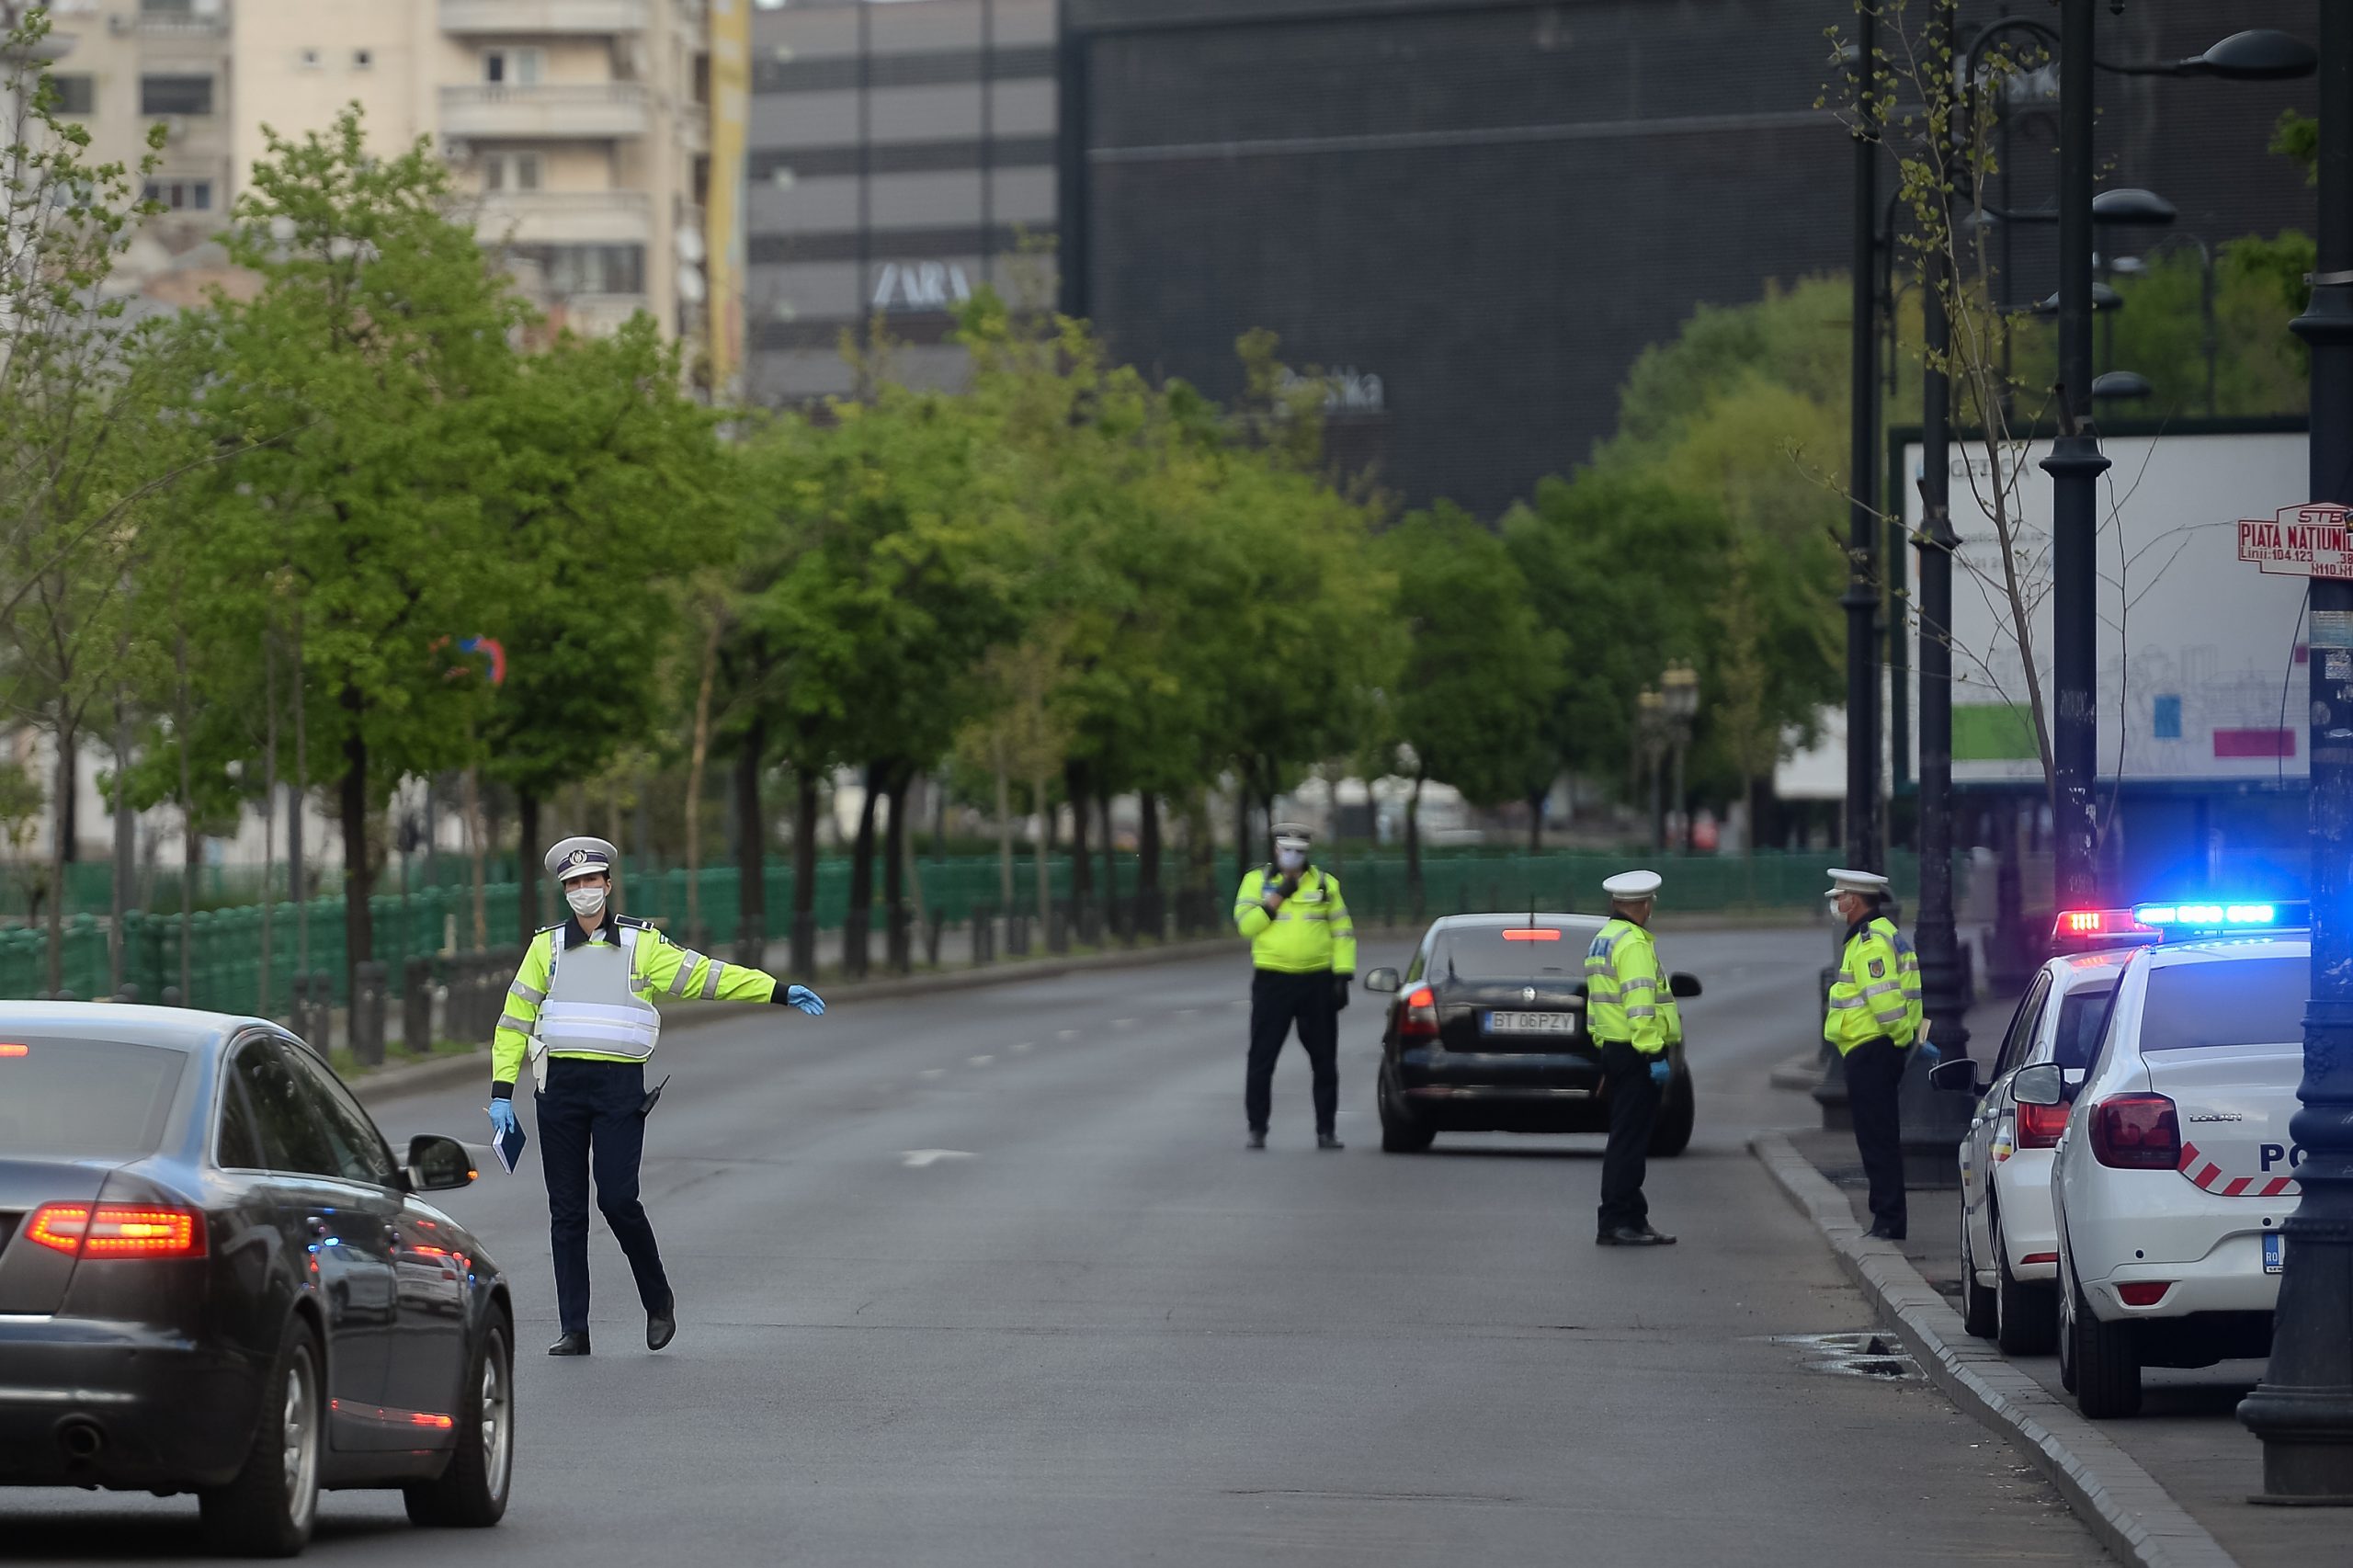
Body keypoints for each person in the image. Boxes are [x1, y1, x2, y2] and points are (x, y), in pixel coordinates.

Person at [487, 835, 827, 1356]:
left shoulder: (641, 945)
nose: (583, 891)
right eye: (572, 884)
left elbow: (706, 977)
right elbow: (514, 1021)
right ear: (565, 890)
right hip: (558, 1088)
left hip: (619, 1088)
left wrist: (775, 989)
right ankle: (574, 1328)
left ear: (607, 884)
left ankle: (657, 1298)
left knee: (618, 1198)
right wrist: (501, 1092)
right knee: (567, 1210)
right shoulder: (545, 948)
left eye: (590, 881)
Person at [1232, 822, 1356, 1150]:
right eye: (1287, 850)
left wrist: (1342, 975)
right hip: (1273, 980)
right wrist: (1276, 899)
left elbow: (1342, 932)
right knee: (1262, 1056)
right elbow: (1246, 926)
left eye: (1299, 852)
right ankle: (1257, 1127)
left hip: (1317, 980)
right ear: (1275, 849)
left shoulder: (1325, 885)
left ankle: (1326, 1130)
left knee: (1324, 1059)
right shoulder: (1256, 882)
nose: (1292, 857)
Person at [1823, 869, 1927, 1240]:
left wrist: (1899, 1039)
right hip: (1875, 1050)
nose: (1836, 904)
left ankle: (1887, 1220)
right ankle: (1886, 1216)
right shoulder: (1880, 935)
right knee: (1878, 1136)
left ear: (1855, 899)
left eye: (1839, 897)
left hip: (1871, 1050)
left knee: (1876, 1139)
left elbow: (1885, 1001)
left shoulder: (1869, 943)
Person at [1584, 870, 1677, 1246]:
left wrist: (1604, 1046)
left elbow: (1596, 1005)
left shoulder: (1602, 940)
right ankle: (1618, 1220)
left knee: (1627, 1137)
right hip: (1637, 1051)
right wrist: (1653, 1051)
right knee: (1630, 1140)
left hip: (1615, 1048)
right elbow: (1640, 1005)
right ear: (1644, 904)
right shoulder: (1634, 943)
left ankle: (1632, 1218)